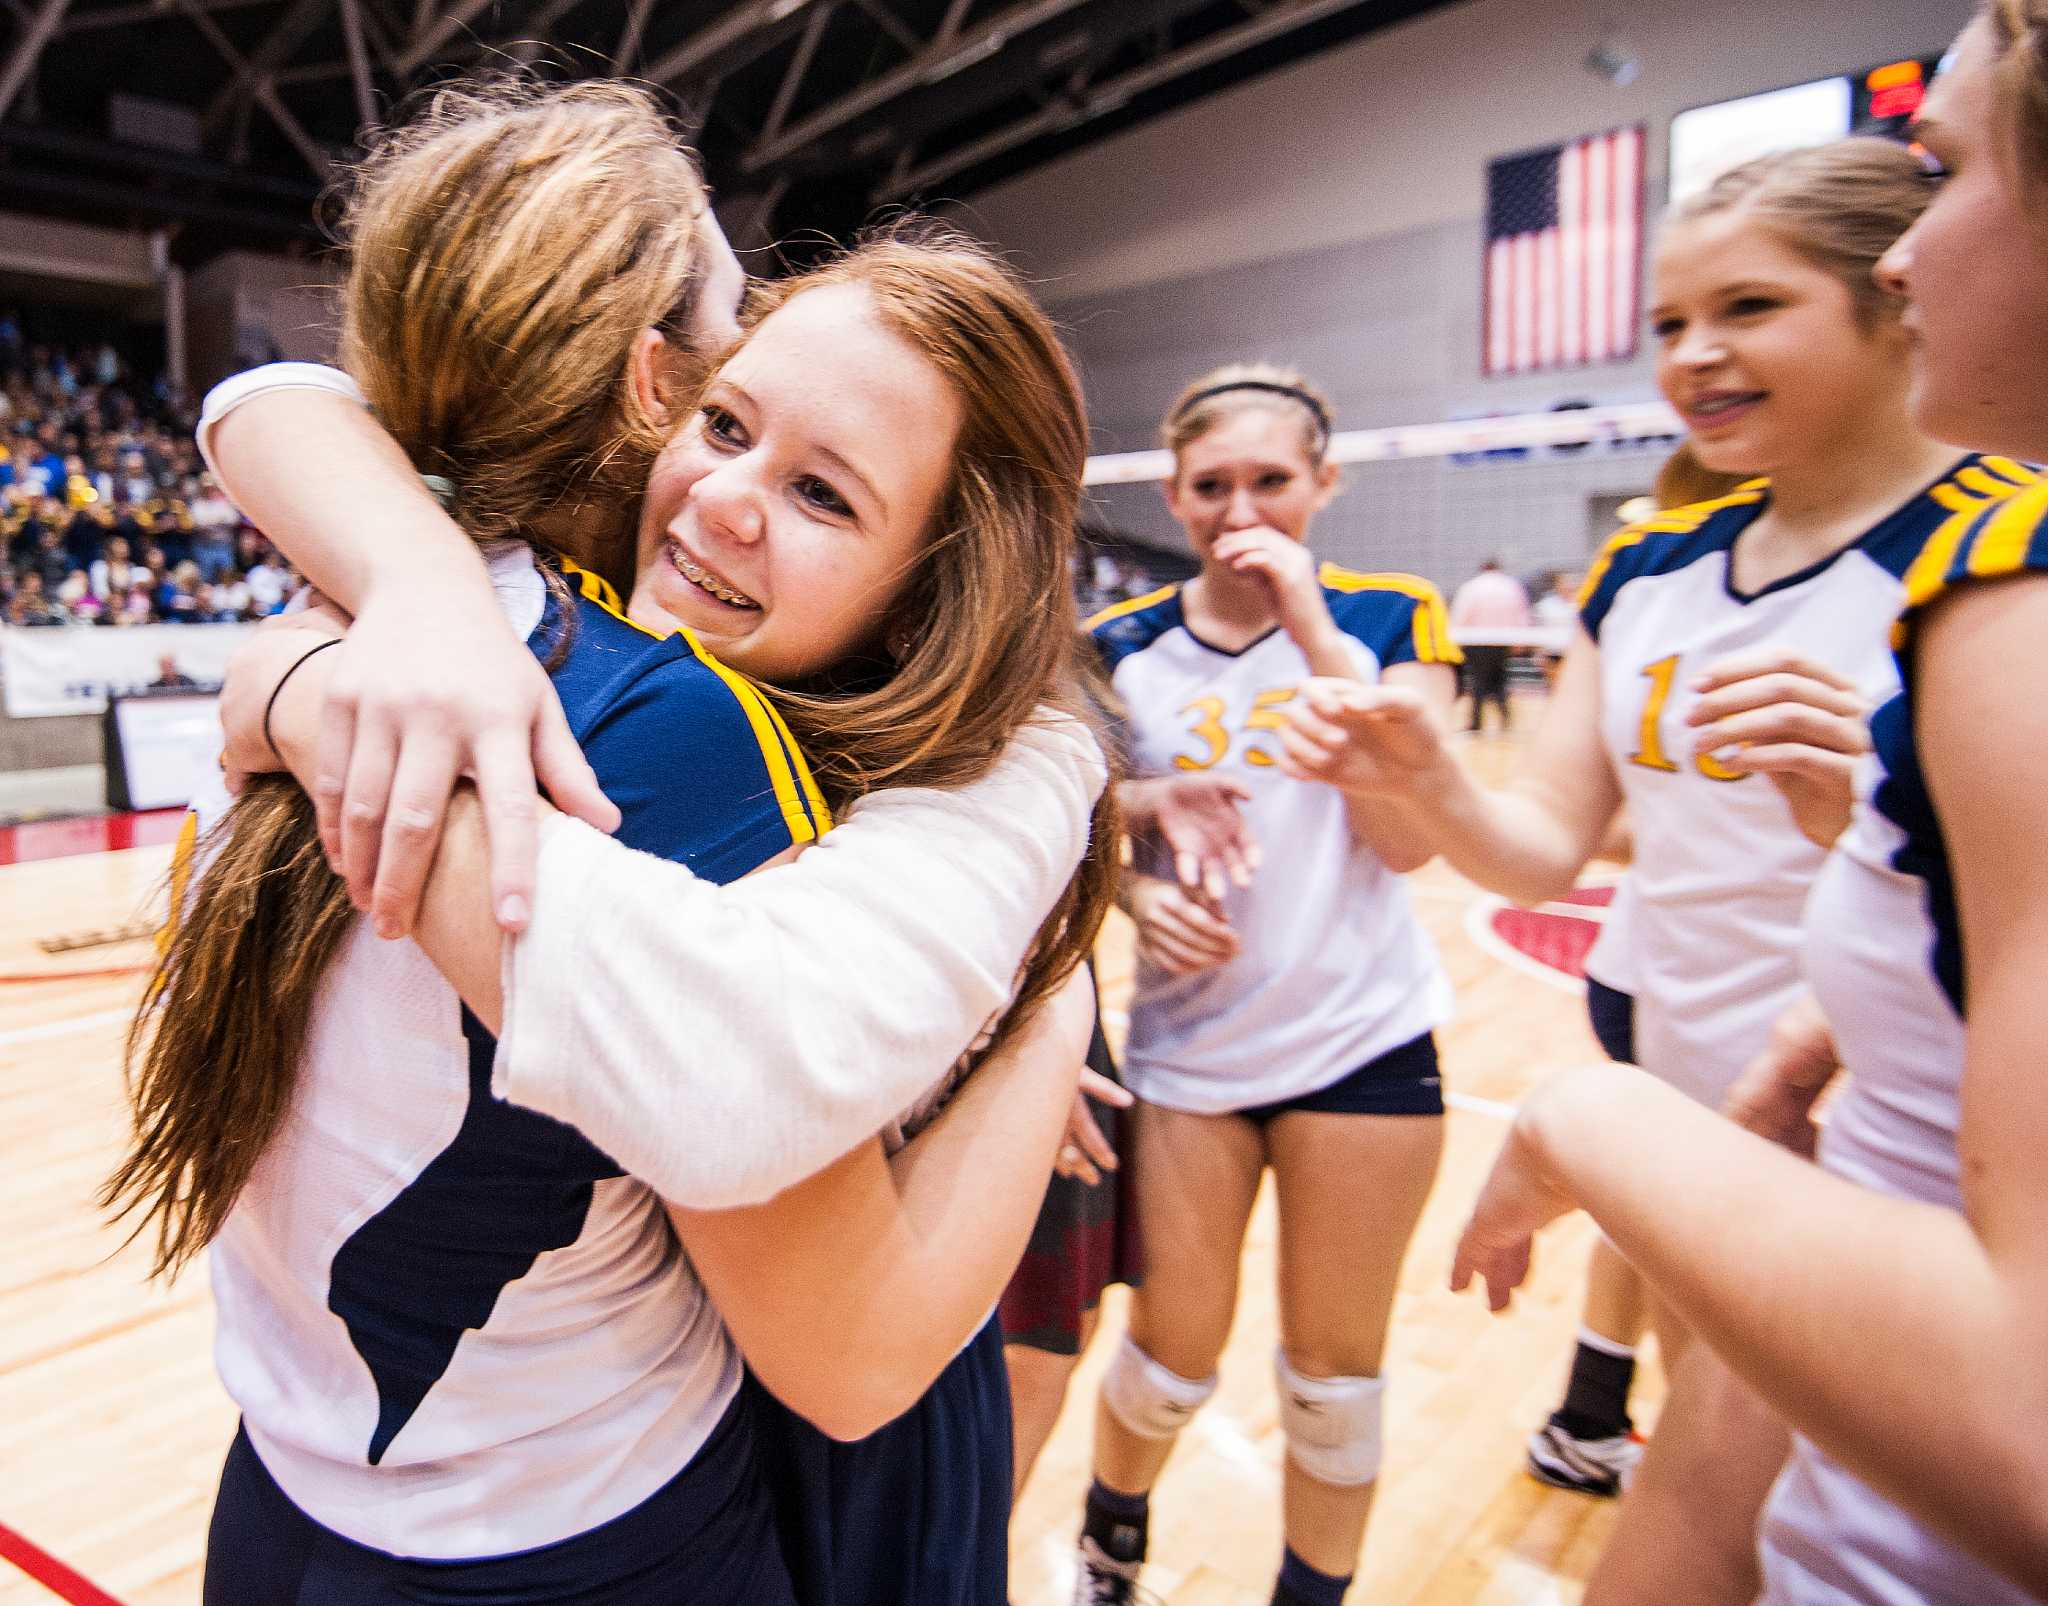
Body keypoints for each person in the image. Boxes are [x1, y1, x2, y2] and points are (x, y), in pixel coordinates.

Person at [108, 83, 1108, 1605]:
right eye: (725, 410)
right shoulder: (677, 730)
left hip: (288, 1496)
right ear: (649, 378)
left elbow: (268, 403)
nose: (722, 491)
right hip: (579, 1533)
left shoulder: (357, 586)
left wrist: (292, 681)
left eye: (820, 489)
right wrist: (1051, 998)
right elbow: (853, 1350)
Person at [1317, 17, 2048, 1598]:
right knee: (1723, 1464)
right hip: (1686, 1060)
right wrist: (1427, 776)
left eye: (1750, 308)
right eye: (1670, 321)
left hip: (1902, 1142)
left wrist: (1868, 808)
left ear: (1888, 305)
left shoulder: (2002, 553)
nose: (1696, 353)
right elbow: (1543, 848)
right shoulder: (1648, 570)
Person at [1070, 363, 1460, 1606]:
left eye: (1270, 482)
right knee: (1168, 1360)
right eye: (1211, 486)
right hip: (1191, 1052)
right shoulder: (1117, 647)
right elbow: (1070, 834)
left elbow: (1411, 839)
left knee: (1334, 1384)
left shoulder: (1391, 617)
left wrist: (1306, 623)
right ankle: (1108, 1545)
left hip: (1362, 1040)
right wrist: (1138, 897)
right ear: (1173, 496)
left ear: (1323, 483)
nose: (1239, 511)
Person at [1448, 557, 1530, 731]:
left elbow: (1461, 614)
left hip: (1476, 641)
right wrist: (1521, 641)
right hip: (1503, 641)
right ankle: (1505, 720)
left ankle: (1476, 722)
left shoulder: (1471, 587)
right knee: (1499, 680)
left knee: (1479, 681)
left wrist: (1456, 639)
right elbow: (1521, 614)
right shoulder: (1511, 587)